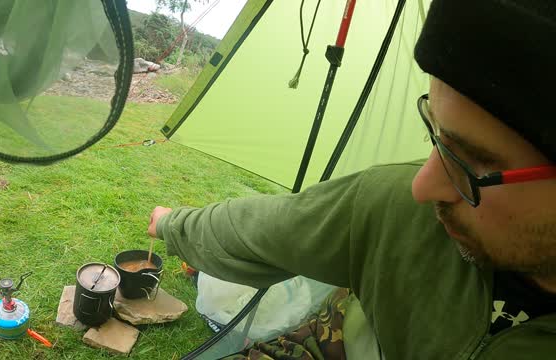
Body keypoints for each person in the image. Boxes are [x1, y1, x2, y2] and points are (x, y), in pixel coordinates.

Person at [147, 0, 556, 358]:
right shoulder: (393, 207)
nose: (422, 187)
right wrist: (170, 223)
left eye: (477, 164)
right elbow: (262, 227)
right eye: (436, 136)